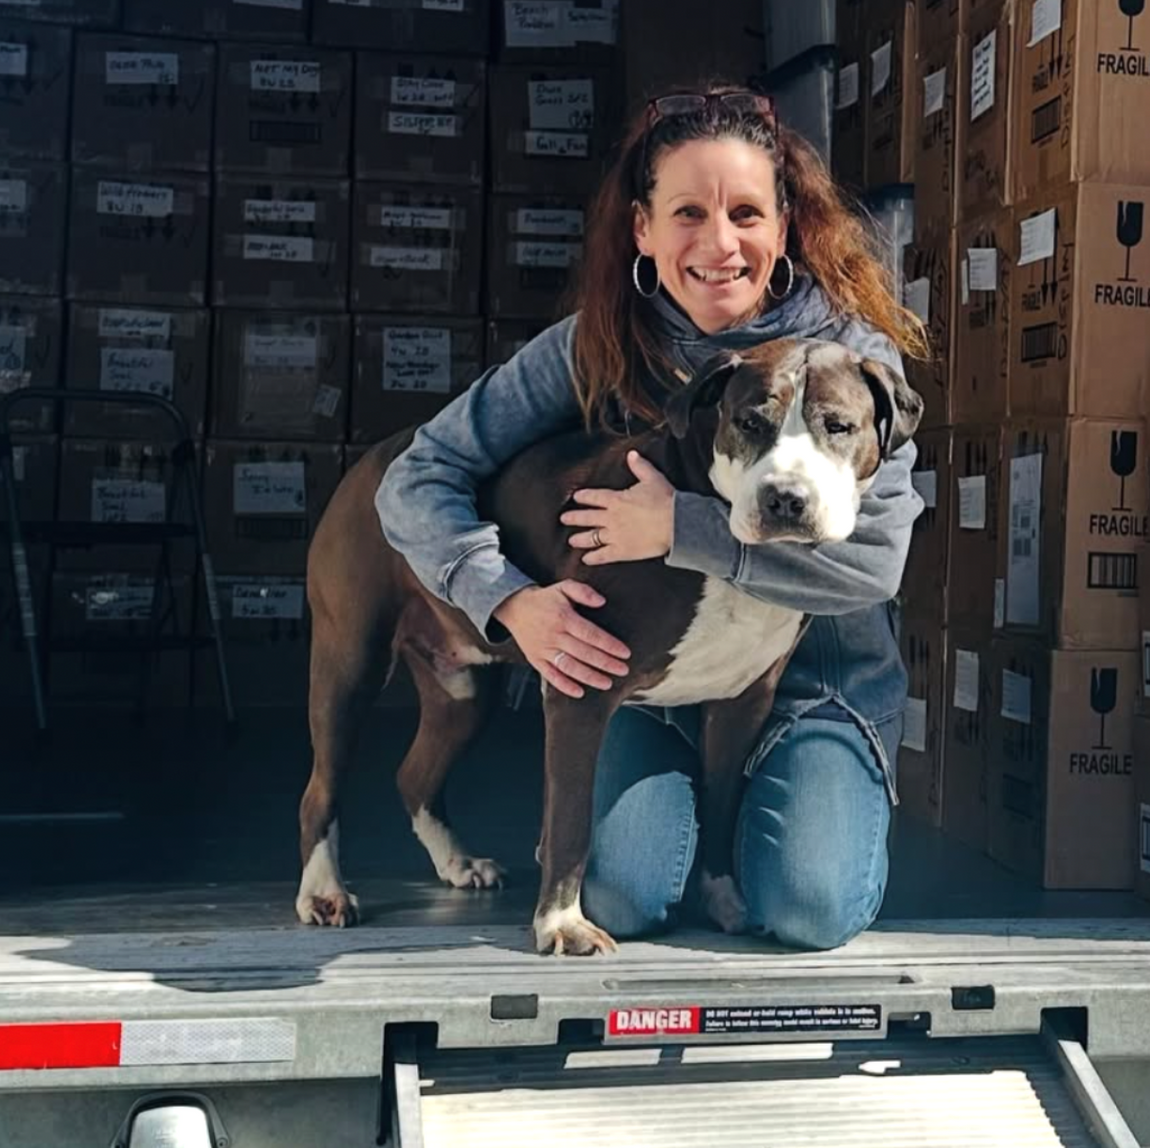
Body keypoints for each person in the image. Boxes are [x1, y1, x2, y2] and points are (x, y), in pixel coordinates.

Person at [375, 86, 927, 951]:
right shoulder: (598, 342)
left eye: (745, 213)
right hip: (651, 682)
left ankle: (770, 810)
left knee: (808, 904)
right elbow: (415, 475)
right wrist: (507, 599)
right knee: (624, 900)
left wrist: (680, 529)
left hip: (811, 682)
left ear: (785, 225)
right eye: (687, 213)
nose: (719, 243)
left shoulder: (853, 365)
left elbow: (876, 562)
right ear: (641, 228)